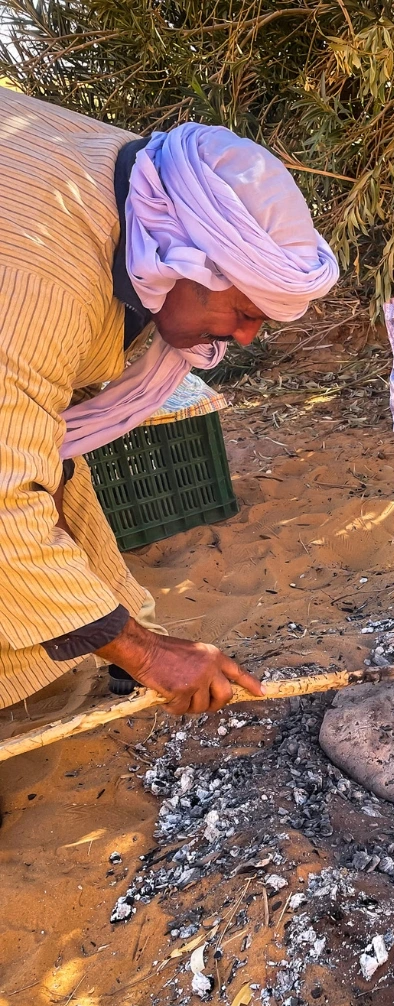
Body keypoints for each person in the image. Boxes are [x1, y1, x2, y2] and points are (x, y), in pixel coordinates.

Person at [0, 88, 339, 716]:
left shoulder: (127, 178)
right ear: (182, 255)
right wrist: (149, 655)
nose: (243, 337)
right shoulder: (44, 282)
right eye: (241, 311)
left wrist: (124, 636)